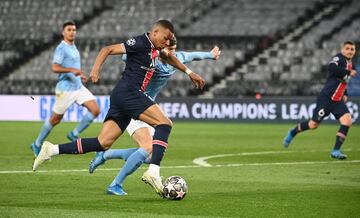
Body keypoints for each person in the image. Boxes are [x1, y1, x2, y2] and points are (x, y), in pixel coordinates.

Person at [32, 20, 206, 197]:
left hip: (121, 96)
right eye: (165, 38)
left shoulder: (156, 47)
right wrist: (95, 70)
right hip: (129, 92)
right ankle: (153, 172)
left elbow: (170, 57)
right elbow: (107, 49)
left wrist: (190, 73)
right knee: (165, 124)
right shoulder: (139, 43)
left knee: (103, 142)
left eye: (170, 40)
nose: (167, 42)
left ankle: (52, 149)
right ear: (155, 32)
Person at [87, 39, 221, 195]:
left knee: (151, 156)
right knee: (148, 147)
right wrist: (129, 56)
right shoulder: (151, 58)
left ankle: (106, 155)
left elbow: (193, 55)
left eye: (173, 49)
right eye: (168, 48)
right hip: (134, 105)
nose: (170, 52)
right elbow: (127, 54)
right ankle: (115, 184)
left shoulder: (177, 58)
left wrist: (211, 55)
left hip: (149, 109)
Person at [30, 21, 100, 157]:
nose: (72, 32)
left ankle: (74, 134)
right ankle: (37, 143)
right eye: (69, 30)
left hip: (78, 87)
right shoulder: (61, 48)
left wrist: (80, 75)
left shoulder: (73, 47)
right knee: (55, 119)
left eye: (74, 30)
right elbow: (55, 67)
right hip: (65, 90)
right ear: (63, 32)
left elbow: (73, 70)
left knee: (95, 110)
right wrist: (71, 70)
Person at [283, 41, 357, 159]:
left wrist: (345, 93)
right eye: (347, 48)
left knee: (347, 121)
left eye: (352, 49)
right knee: (313, 125)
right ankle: (293, 132)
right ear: (342, 50)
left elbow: (343, 80)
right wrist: (348, 72)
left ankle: (335, 151)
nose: (350, 51)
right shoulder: (339, 58)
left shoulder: (351, 64)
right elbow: (332, 68)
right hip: (326, 98)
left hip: (337, 100)